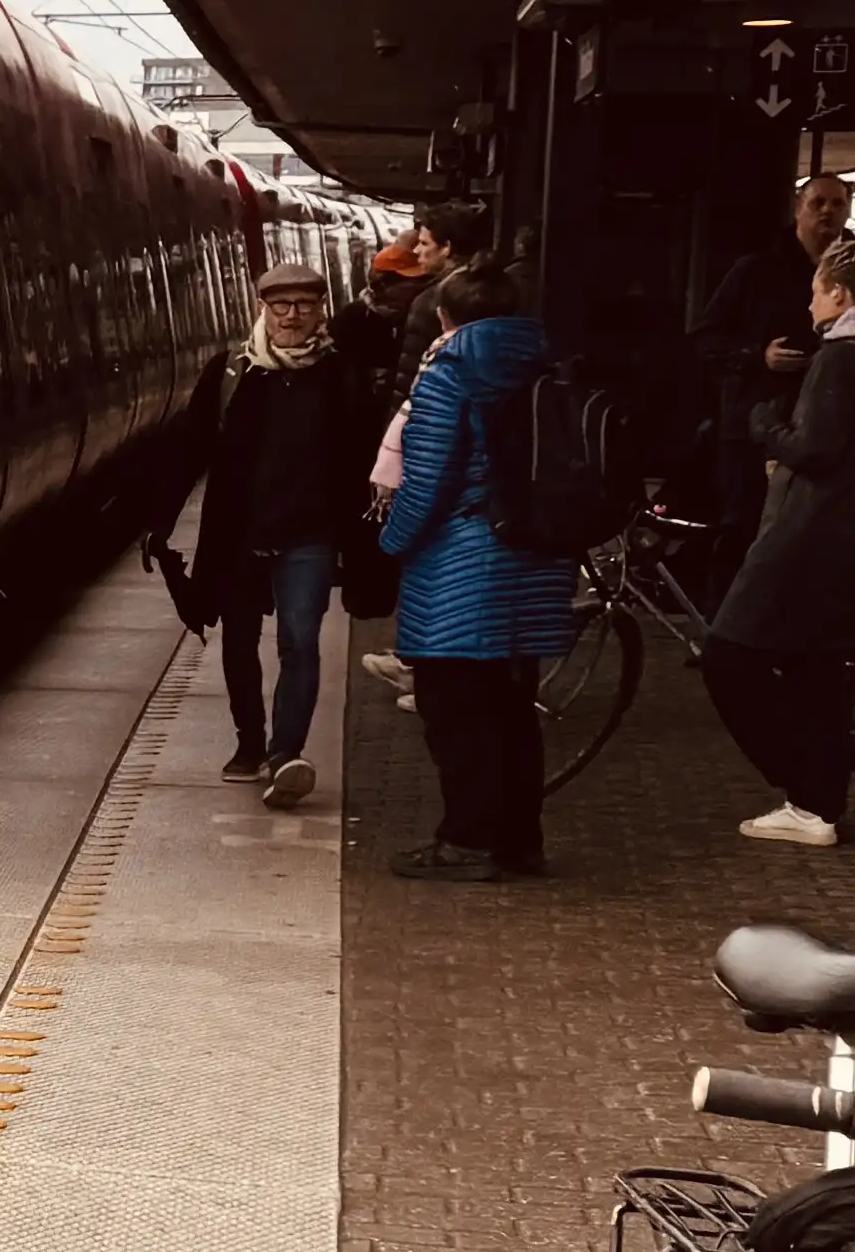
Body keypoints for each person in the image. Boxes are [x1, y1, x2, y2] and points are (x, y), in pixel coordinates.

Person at [695, 238, 855, 847]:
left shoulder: (841, 358)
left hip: (805, 534)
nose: (810, 301)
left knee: (728, 657)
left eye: (817, 290)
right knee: (815, 673)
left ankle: (803, 785)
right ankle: (816, 801)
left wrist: (766, 426)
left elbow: (815, 449)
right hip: (848, 534)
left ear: (839, 294)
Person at [376, 259, 576, 880]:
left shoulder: (449, 373)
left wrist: (391, 542)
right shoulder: (543, 368)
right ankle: (519, 842)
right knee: (513, 710)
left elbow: (429, 479)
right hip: (534, 559)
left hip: (464, 565)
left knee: (455, 712)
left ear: (444, 316)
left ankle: (466, 842)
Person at [183, 262, 382, 809]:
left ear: (322, 309)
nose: (293, 316)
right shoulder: (231, 371)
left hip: (310, 535)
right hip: (240, 534)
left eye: (305, 305)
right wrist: (159, 524)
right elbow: (189, 450)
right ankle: (249, 743)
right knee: (239, 641)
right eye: (281, 306)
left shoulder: (342, 372)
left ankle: (284, 754)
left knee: (301, 641)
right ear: (262, 310)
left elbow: (366, 454)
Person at [690, 178, 855, 573]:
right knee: (745, 533)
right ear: (799, 207)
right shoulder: (756, 270)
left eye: (837, 204)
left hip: (823, 423)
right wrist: (756, 355)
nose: (827, 212)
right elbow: (705, 335)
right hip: (755, 421)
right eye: (818, 203)